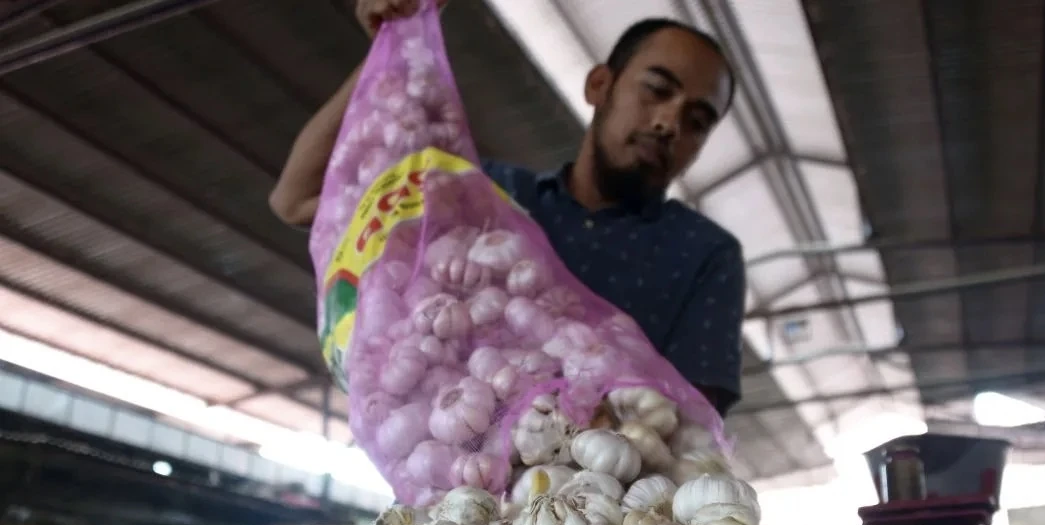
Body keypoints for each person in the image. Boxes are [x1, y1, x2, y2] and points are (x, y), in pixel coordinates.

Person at [270, 0, 747, 413]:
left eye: (698, 119)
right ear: (600, 85)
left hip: (592, 511)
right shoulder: (481, 192)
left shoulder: (705, 253)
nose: (669, 123)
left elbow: (690, 426)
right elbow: (296, 198)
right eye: (657, 90)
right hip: (453, 492)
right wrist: (390, 47)